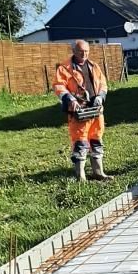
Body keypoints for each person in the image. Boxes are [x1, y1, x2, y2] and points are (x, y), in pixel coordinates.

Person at [52, 39, 112, 182]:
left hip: (95, 111)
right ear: (74, 51)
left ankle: (98, 172)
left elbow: (103, 83)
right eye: (81, 51)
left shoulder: (94, 66)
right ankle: (81, 177)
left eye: (86, 51)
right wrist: (70, 99)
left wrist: (100, 97)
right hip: (79, 112)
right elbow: (58, 86)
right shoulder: (65, 68)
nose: (84, 54)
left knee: (96, 140)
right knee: (80, 142)